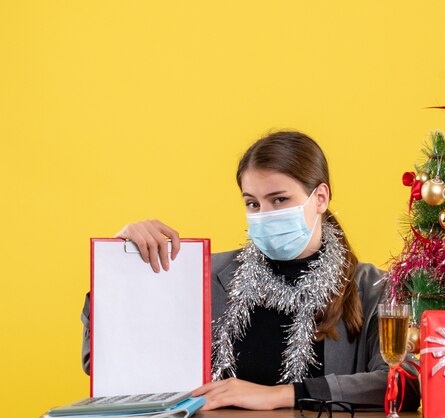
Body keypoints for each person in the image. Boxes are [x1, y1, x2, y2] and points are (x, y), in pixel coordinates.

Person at [81, 130, 420, 411]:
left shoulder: (372, 287)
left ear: (320, 198)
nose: (264, 213)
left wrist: (280, 395)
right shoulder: (203, 275)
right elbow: (103, 361)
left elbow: (403, 381)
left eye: (280, 199)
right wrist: (121, 266)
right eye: (252, 203)